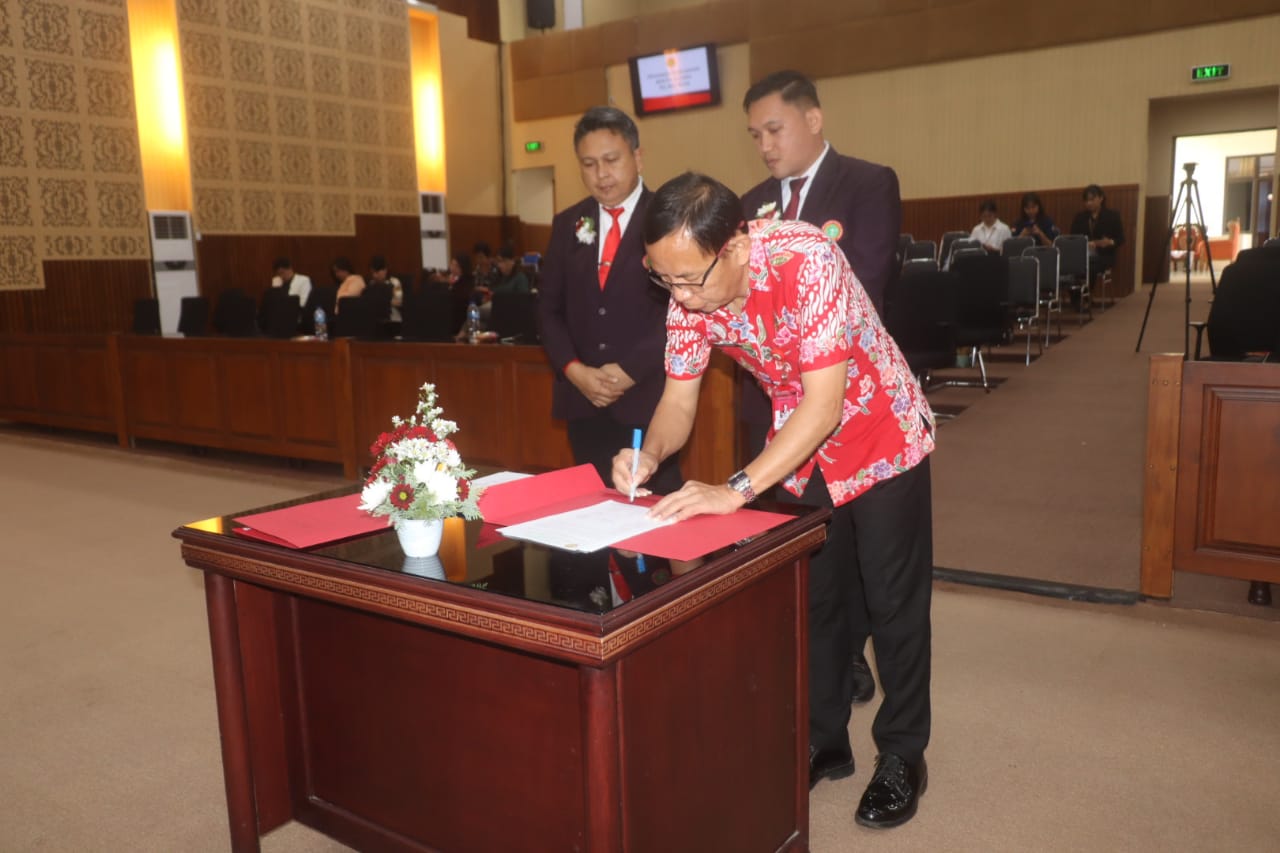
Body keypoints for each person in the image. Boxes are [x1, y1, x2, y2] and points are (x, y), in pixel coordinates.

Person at [616, 172, 935, 829]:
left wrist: (736, 490)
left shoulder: (806, 258)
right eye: (664, 280)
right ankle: (826, 739)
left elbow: (826, 405)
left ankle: (903, 753)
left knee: (891, 598)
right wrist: (650, 456)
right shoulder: (689, 290)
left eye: (688, 280)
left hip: (880, 431)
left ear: (734, 246)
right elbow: (679, 401)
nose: (678, 296)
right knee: (813, 598)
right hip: (800, 445)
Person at [740, 68, 900, 707]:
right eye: (754, 135)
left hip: (850, 404)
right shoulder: (751, 206)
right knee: (804, 553)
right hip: (779, 408)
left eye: (774, 129)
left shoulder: (866, 184)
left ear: (813, 119)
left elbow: (865, 288)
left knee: (859, 547)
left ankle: (852, 654)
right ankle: (822, 673)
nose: (765, 146)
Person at [537, 106, 681, 494]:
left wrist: (630, 369)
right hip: (584, 400)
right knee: (590, 515)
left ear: (637, 156)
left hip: (648, 396)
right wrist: (574, 370)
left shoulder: (668, 218)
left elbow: (681, 309)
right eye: (589, 163)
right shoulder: (569, 223)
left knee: (653, 518)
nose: (601, 174)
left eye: (611, 160)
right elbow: (548, 310)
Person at [1069, 184, 1125, 275]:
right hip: (1083, 255)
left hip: (1104, 256)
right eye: (1086, 200)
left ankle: (1086, 288)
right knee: (1071, 266)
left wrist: (1109, 242)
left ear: (1101, 198)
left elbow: (1121, 239)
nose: (1089, 203)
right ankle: (1080, 288)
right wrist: (1085, 244)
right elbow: (1073, 238)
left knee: (1087, 268)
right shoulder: (1079, 217)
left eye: (1092, 199)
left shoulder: (1112, 216)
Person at [368, 255, 403, 322]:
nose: (374, 275)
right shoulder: (371, 284)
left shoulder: (394, 282)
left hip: (393, 318)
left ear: (385, 270)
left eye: (377, 272)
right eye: (372, 272)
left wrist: (382, 302)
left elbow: (399, 302)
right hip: (376, 319)